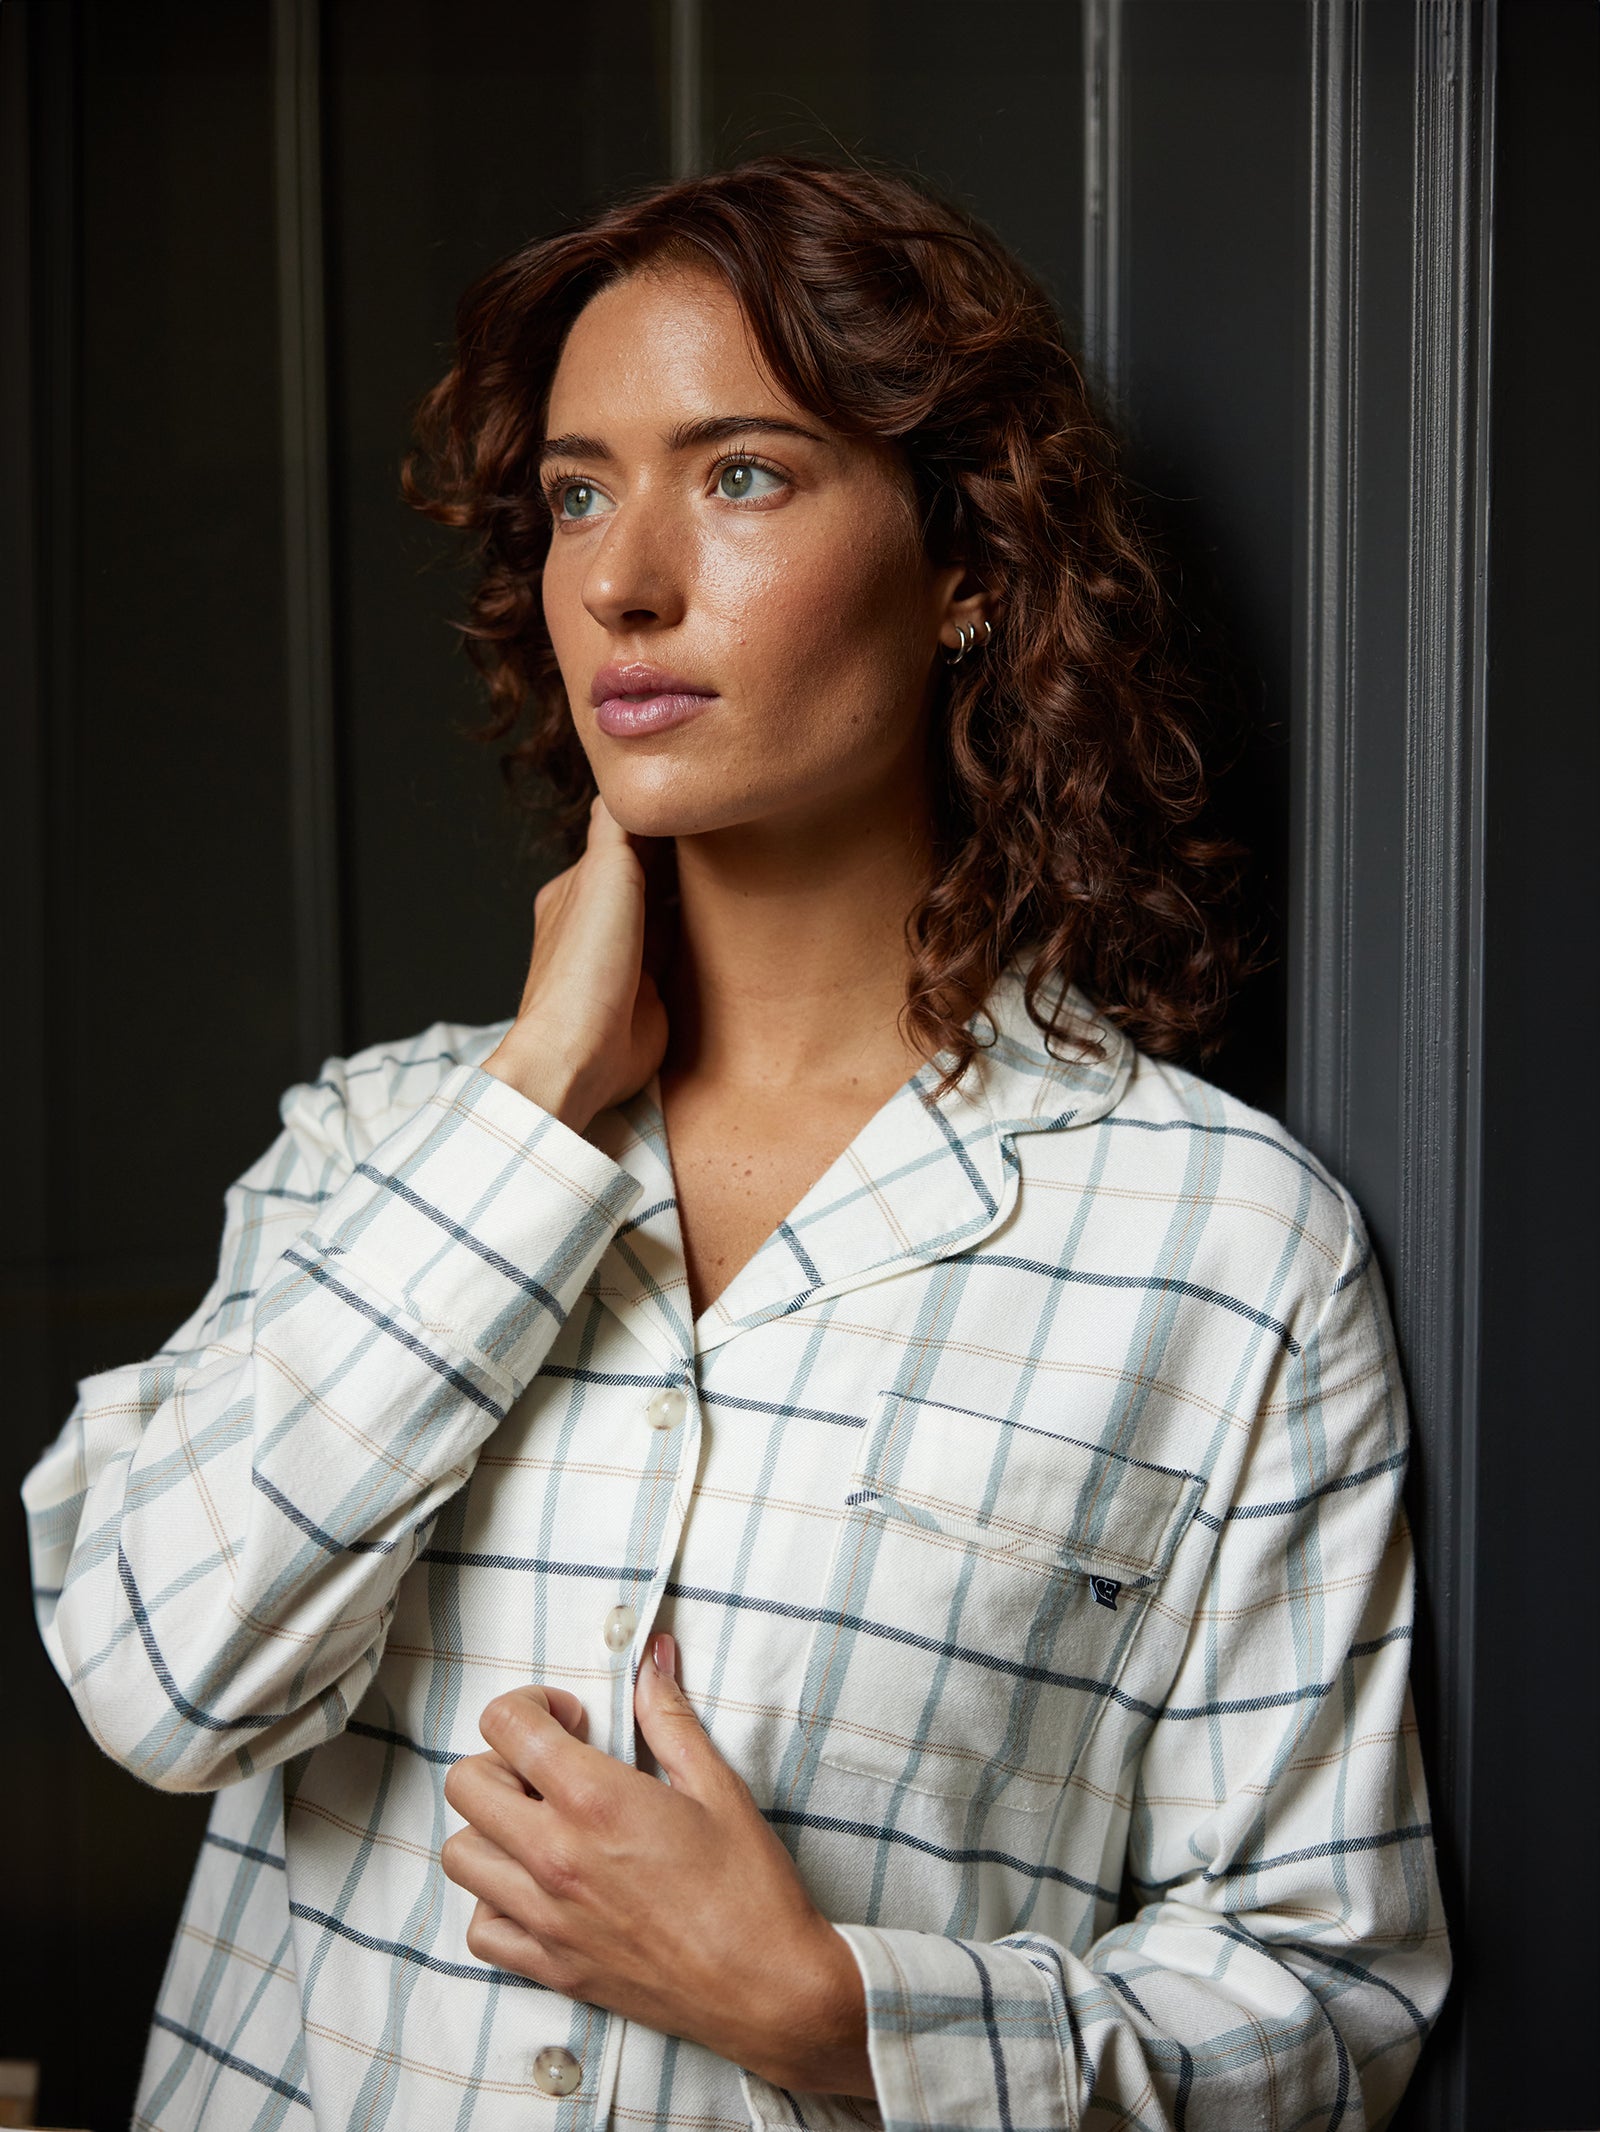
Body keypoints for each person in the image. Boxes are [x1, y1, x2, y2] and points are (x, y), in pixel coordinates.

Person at [23, 157, 1448, 2131]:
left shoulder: (1220, 1249)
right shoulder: (383, 1148)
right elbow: (159, 1678)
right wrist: (528, 1108)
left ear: (963, 564)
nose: (621, 576)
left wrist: (825, 2010)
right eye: (578, 490)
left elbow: (1322, 1991)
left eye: (744, 473)